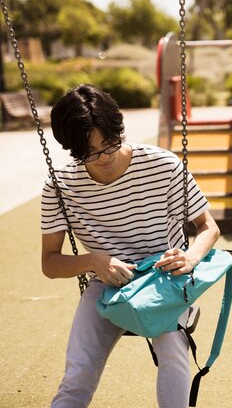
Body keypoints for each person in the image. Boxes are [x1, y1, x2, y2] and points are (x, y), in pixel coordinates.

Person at [41, 84, 220, 408]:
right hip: (105, 286)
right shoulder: (60, 185)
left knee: (173, 352)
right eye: (90, 152)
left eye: (109, 144)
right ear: (71, 148)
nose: (104, 157)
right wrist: (93, 262)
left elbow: (208, 226)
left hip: (163, 280)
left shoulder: (162, 165)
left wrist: (191, 257)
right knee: (77, 374)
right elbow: (50, 263)